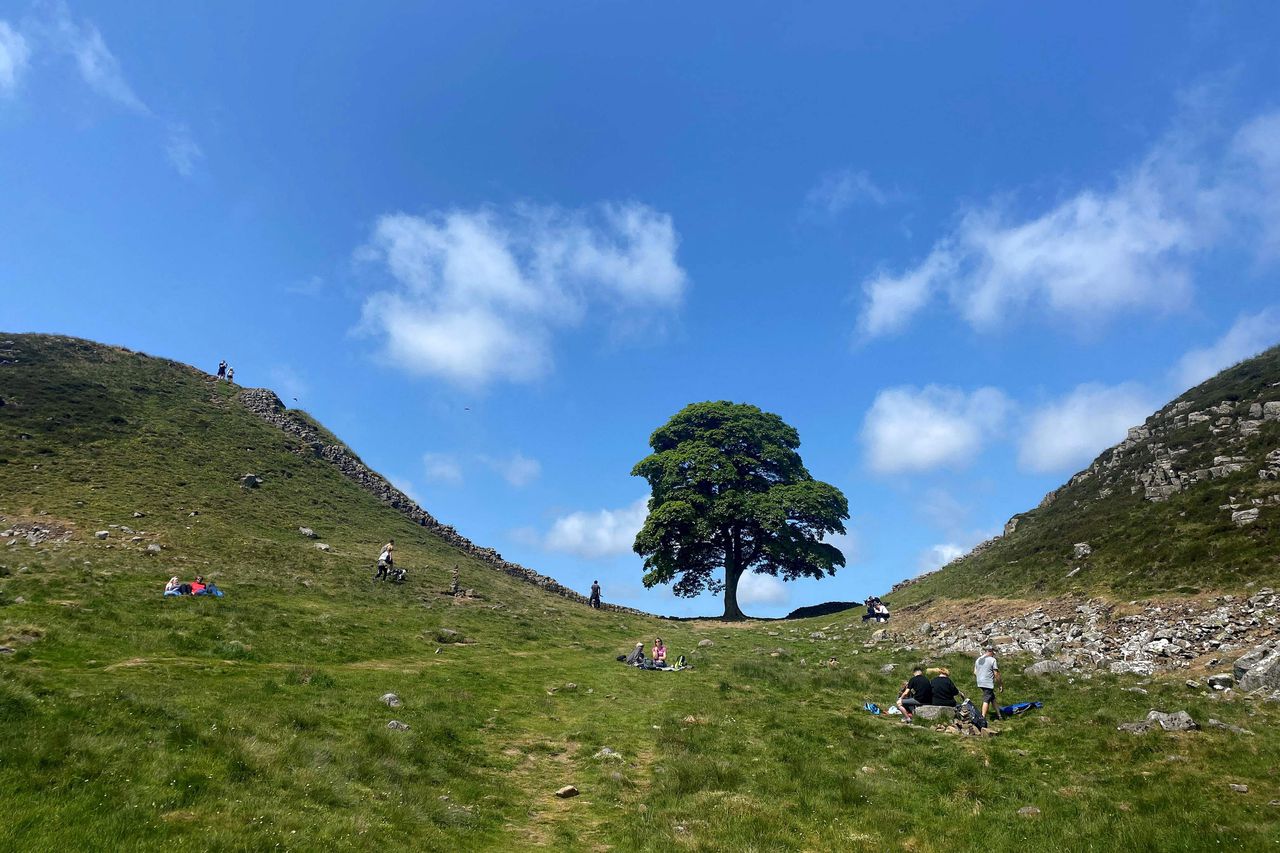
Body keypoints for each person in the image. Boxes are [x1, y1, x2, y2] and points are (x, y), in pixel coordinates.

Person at [974, 646, 1003, 721]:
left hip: (980, 682)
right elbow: (996, 673)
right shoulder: (992, 660)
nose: (994, 654)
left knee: (992, 698)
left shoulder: (978, 659)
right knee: (986, 699)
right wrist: (1000, 685)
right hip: (987, 682)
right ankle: (982, 718)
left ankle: (999, 715)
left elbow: (975, 672)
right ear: (991, 651)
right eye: (994, 652)